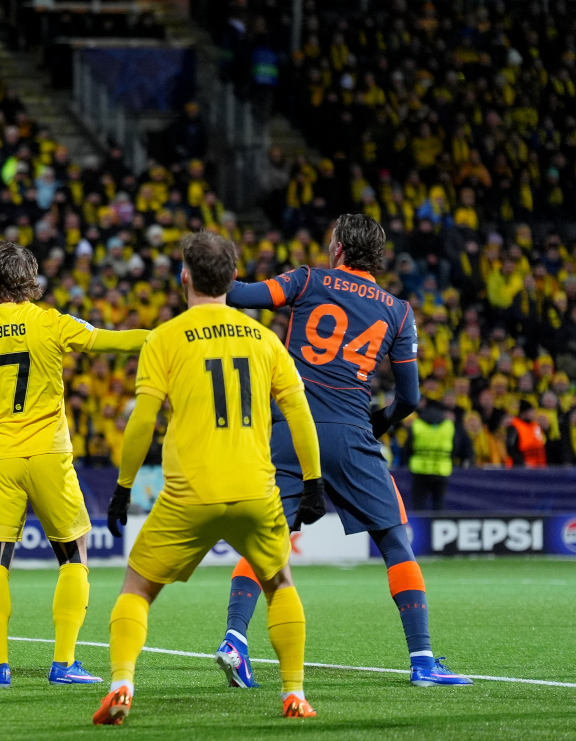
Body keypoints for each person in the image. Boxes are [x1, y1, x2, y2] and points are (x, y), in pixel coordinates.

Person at [220, 214, 472, 687]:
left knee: (266, 537)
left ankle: (235, 639)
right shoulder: (398, 311)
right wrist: (375, 425)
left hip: (291, 431)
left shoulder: (306, 279)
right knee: (395, 541)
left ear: (337, 248)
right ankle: (422, 661)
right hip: (353, 433)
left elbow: (238, 295)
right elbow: (410, 399)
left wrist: (209, 272)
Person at [92, 232, 324, 725]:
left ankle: (122, 683)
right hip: (255, 492)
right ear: (234, 279)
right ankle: (295, 693)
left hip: (188, 494)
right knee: (280, 582)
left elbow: (142, 420)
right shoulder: (263, 338)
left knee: (136, 588)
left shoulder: (165, 337)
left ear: (184, 277)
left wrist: (123, 487)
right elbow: (299, 411)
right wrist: (313, 481)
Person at [0, 240, 150, 689]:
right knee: (74, 557)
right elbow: (112, 343)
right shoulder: (51, 322)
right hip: (50, 455)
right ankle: (64, 663)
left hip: (0, 459)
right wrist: (165, 336)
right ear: (31, 279)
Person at [405, 400, 456, 511]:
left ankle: (417, 528)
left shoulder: (417, 424)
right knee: (439, 503)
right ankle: (438, 527)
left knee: (418, 503)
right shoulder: (448, 425)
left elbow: (408, 447)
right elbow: (455, 447)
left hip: (420, 470)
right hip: (441, 470)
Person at [507, 400, 547, 468]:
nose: (534, 414)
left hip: (539, 468)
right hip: (521, 469)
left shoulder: (535, 425)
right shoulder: (515, 427)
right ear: (524, 413)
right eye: (531, 412)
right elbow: (511, 449)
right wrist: (522, 463)